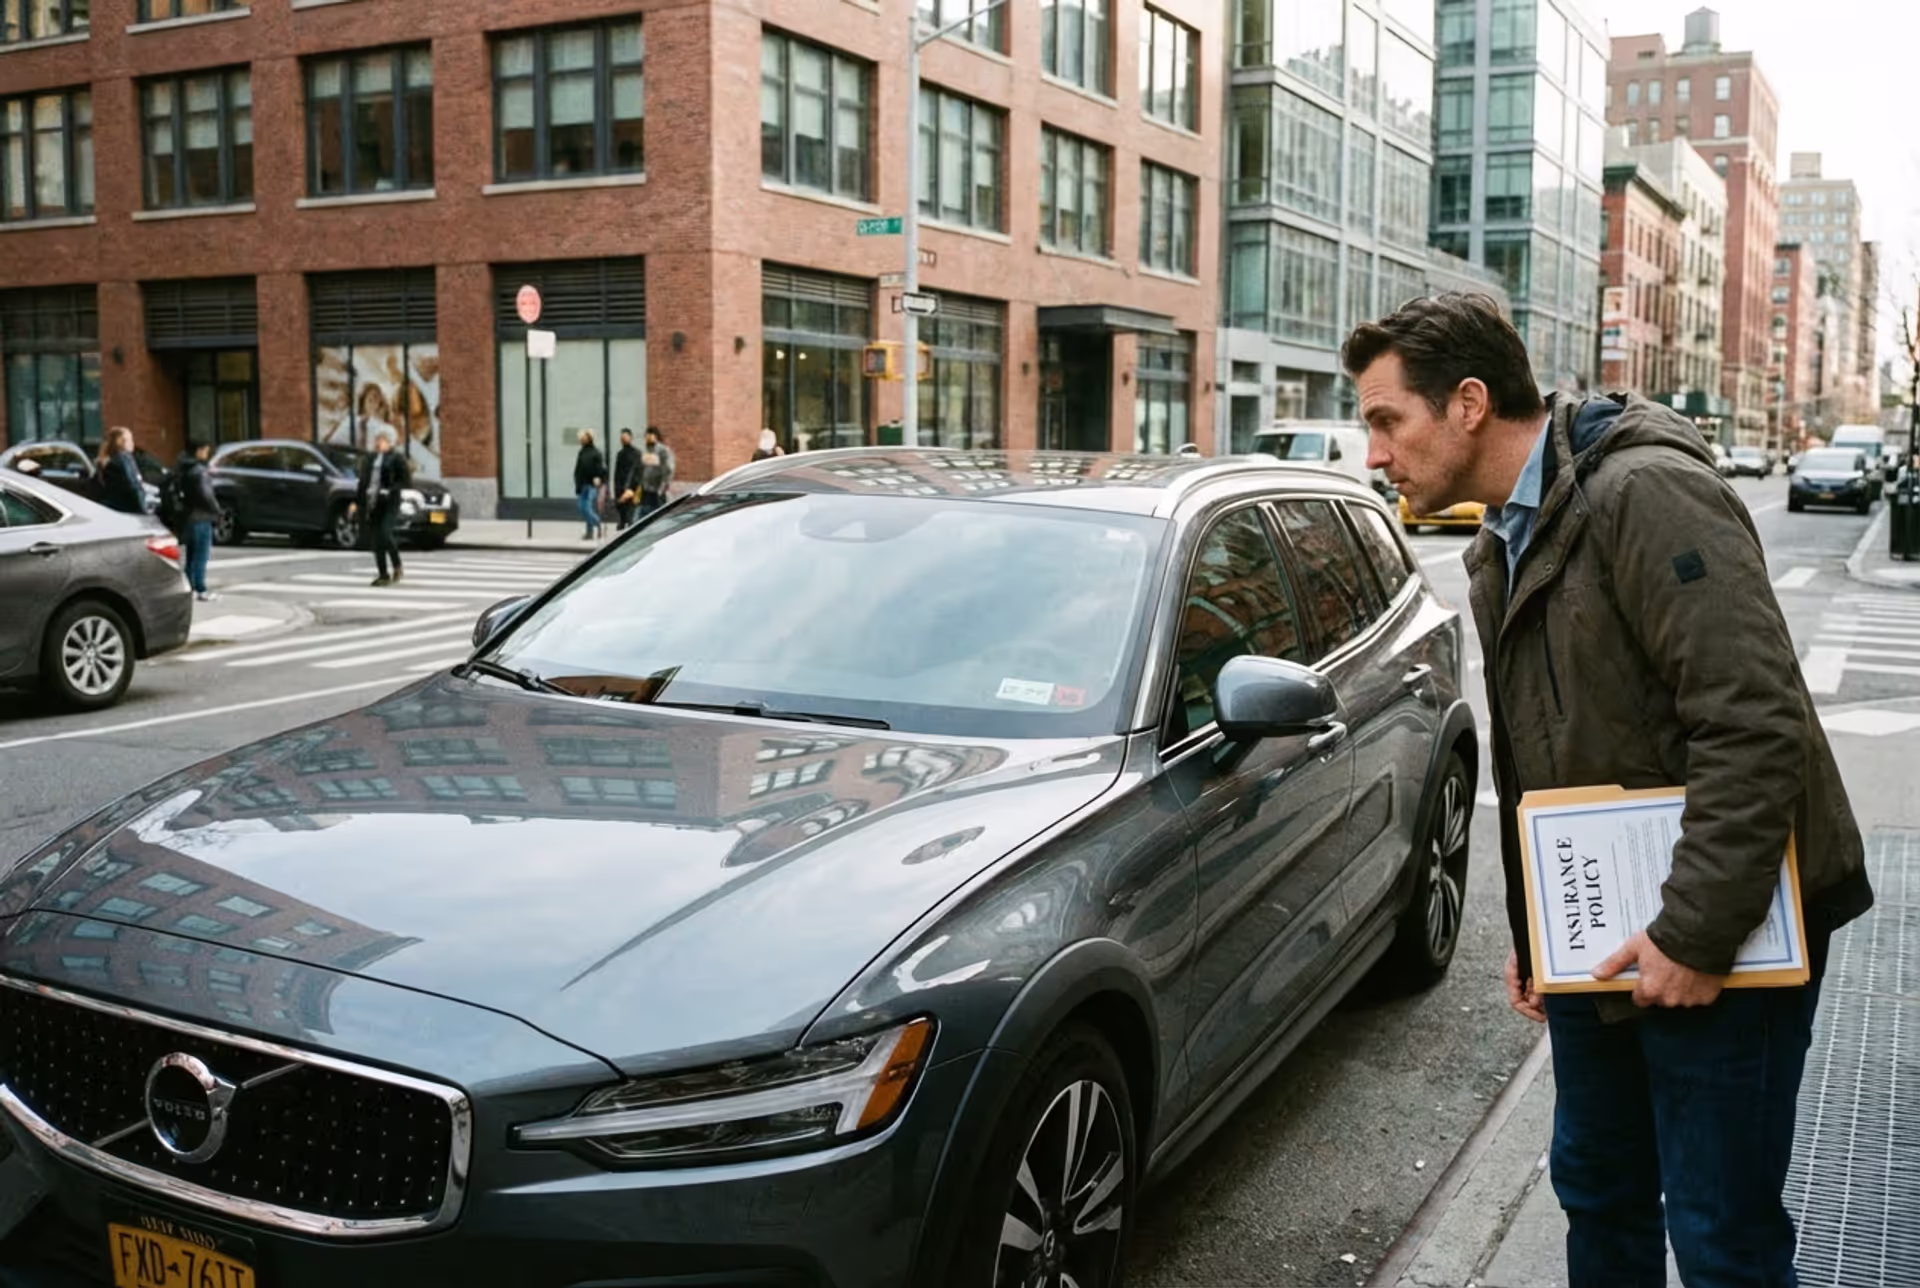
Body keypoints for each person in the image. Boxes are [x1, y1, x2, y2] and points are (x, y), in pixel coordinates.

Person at [1341, 293, 1872, 1288]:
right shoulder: (1506, 534)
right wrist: (1543, 938)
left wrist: (1694, 935)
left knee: (1721, 1236)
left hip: (1724, 932)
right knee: (1599, 1189)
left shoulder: (1646, 492)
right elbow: (1541, 752)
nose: (1375, 453)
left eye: (1384, 420)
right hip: (1602, 939)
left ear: (1465, 403)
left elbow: (1753, 722)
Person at [350, 430, 412, 586]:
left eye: (382, 440)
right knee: (377, 540)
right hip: (373, 502)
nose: (379, 442)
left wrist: (390, 489)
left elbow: (406, 481)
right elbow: (363, 482)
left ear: (389, 442)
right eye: (377, 439)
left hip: (389, 502)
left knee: (385, 532)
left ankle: (397, 565)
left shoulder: (396, 459)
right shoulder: (369, 459)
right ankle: (383, 574)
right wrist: (356, 502)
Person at [174, 441, 221, 603]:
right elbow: (206, 495)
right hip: (202, 516)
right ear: (198, 451)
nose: (207, 454)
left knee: (191, 556)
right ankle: (200, 589)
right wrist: (217, 511)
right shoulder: (199, 471)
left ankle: (189, 587)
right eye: (205, 450)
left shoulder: (183, 468)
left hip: (188, 516)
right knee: (201, 555)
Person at [97, 426, 146, 515]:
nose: (132, 443)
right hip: (128, 511)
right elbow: (133, 486)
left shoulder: (109, 461)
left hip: (113, 510)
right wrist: (143, 511)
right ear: (120, 442)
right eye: (129, 440)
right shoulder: (123, 459)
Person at [574, 429, 605, 540]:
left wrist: (598, 478)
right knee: (582, 507)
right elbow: (578, 469)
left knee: (586, 508)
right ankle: (590, 533)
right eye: (580, 439)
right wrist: (577, 484)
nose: (581, 440)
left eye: (583, 438)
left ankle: (598, 524)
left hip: (590, 485)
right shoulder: (581, 452)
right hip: (582, 484)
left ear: (588, 439)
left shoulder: (596, 453)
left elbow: (601, 470)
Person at [639, 426, 674, 518]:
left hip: (657, 490)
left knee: (658, 515)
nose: (648, 437)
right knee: (644, 515)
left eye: (651, 435)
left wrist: (663, 486)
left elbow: (668, 469)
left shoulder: (663, 450)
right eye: (647, 435)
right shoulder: (644, 451)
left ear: (656, 436)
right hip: (645, 489)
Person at [612, 428, 643, 530]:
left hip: (631, 488)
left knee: (631, 515)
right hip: (620, 487)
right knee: (622, 511)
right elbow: (617, 473)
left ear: (631, 437)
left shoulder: (636, 453)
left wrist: (632, 489)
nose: (623, 439)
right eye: (622, 438)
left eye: (625, 437)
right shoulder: (620, 454)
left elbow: (638, 472)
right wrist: (616, 489)